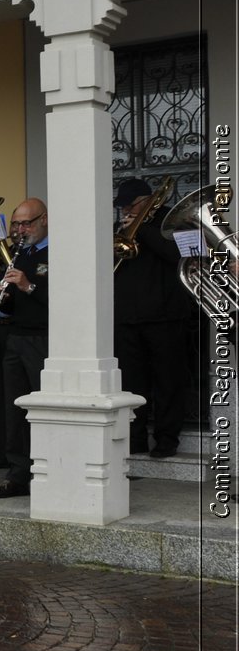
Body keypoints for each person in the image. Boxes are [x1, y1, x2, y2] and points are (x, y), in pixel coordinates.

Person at [114, 177, 194, 457]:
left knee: (168, 380)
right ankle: (134, 440)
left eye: (130, 205)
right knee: (132, 385)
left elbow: (188, 255)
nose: (126, 211)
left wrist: (143, 230)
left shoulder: (177, 221)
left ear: (148, 200)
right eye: (122, 207)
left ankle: (166, 439)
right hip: (127, 319)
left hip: (166, 317)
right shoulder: (120, 229)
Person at [0, 198, 49, 498]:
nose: (21, 230)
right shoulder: (20, 253)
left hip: (43, 339)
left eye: (27, 223)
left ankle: (49, 470)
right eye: (17, 224)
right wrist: (3, 295)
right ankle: (18, 474)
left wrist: (27, 286)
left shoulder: (58, 250)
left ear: (44, 219)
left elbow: (61, 299)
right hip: (15, 336)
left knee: (42, 411)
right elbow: (19, 298)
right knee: (15, 409)